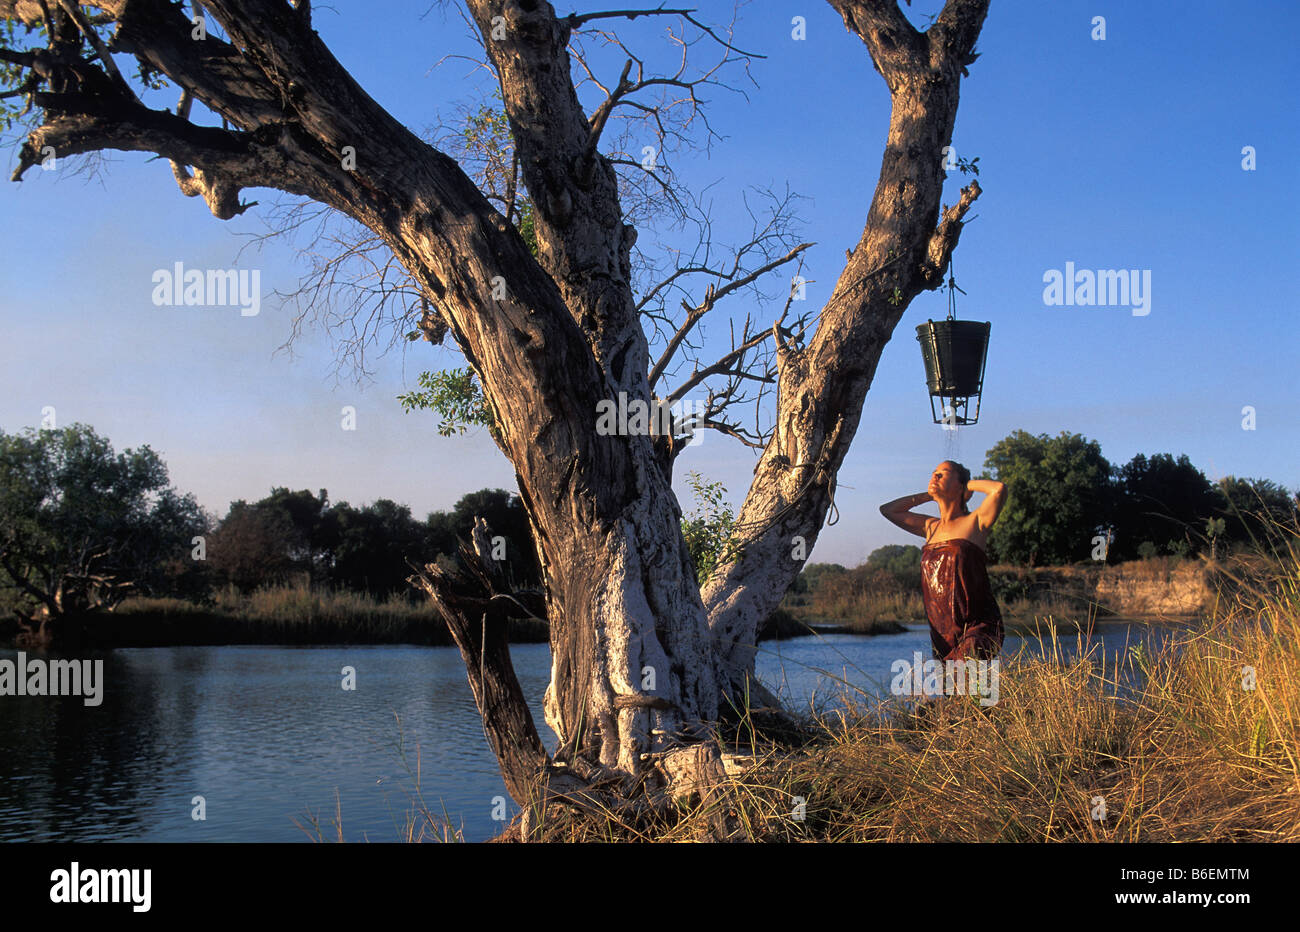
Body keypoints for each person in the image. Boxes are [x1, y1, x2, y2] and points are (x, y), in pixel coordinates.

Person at [879, 461, 1009, 661]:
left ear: (960, 485)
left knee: (970, 680)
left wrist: (968, 486)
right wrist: (928, 495)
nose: (935, 477)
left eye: (943, 473)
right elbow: (888, 510)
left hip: (977, 626)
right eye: (934, 473)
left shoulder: (976, 522)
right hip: (942, 631)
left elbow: (998, 489)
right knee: (957, 691)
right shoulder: (930, 527)